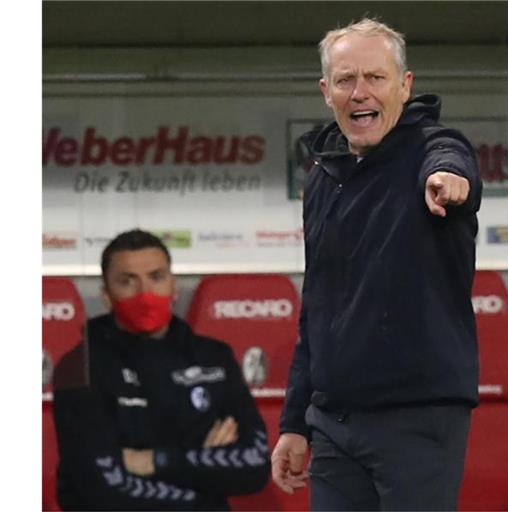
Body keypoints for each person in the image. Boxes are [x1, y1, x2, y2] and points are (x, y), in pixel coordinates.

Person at [271, 18, 482, 511]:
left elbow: (449, 152)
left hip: (417, 419)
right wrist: (294, 422)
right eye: (346, 80)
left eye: (376, 78)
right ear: (326, 91)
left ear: (405, 86)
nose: (360, 92)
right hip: (334, 425)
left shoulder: (430, 150)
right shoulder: (323, 179)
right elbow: (317, 311)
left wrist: (450, 178)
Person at [53, 229, 270, 511]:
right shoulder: (78, 368)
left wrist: (152, 461)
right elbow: (100, 489)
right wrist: (203, 475)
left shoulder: (214, 357)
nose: (145, 293)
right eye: (127, 281)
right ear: (106, 295)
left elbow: (255, 466)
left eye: (156, 277)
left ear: (174, 285)